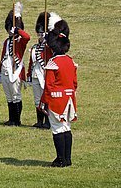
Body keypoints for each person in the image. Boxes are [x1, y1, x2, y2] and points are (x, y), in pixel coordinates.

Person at [40, 13, 77, 167]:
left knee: (57, 129)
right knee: (66, 128)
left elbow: (48, 86)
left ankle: (60, 159)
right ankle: (67, 159)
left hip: (56, 100)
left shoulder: (53, 63)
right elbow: (74, 83)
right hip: (70, 99)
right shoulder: (70, 61)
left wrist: (44, 103)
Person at [0, 2, 30, 126]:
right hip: (5, 70)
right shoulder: (6, 41)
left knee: (16, 95)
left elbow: (27, 37)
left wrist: (18, 30)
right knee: (9, 96)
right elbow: (2, 56)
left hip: (15, 70)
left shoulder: (20, 40)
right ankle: (11, 119)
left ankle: (17, 120)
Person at [27, 12, 51, 129]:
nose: (40, 35)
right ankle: (39, 121)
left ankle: (48, 121)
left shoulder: (49, 47)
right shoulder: (35, 47)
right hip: (35, 75)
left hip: (44, 75)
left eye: (42, 33)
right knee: (37, 99)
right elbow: (31, 62)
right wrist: (28, 75)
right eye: (39, 33)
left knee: (46, 99)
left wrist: (49, 39)